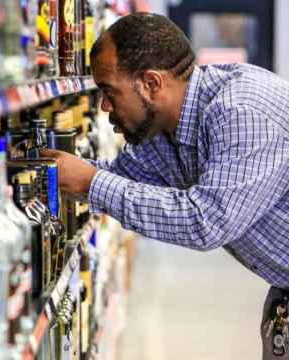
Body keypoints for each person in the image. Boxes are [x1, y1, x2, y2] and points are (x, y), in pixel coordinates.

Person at [41, 12, 289, 358]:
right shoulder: (162, 127)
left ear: (152, 84)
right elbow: (122, 178)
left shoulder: (242, 112)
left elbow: (206, 221)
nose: (104, 106)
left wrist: (91, 183)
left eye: (110, 91)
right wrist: (57, 172)